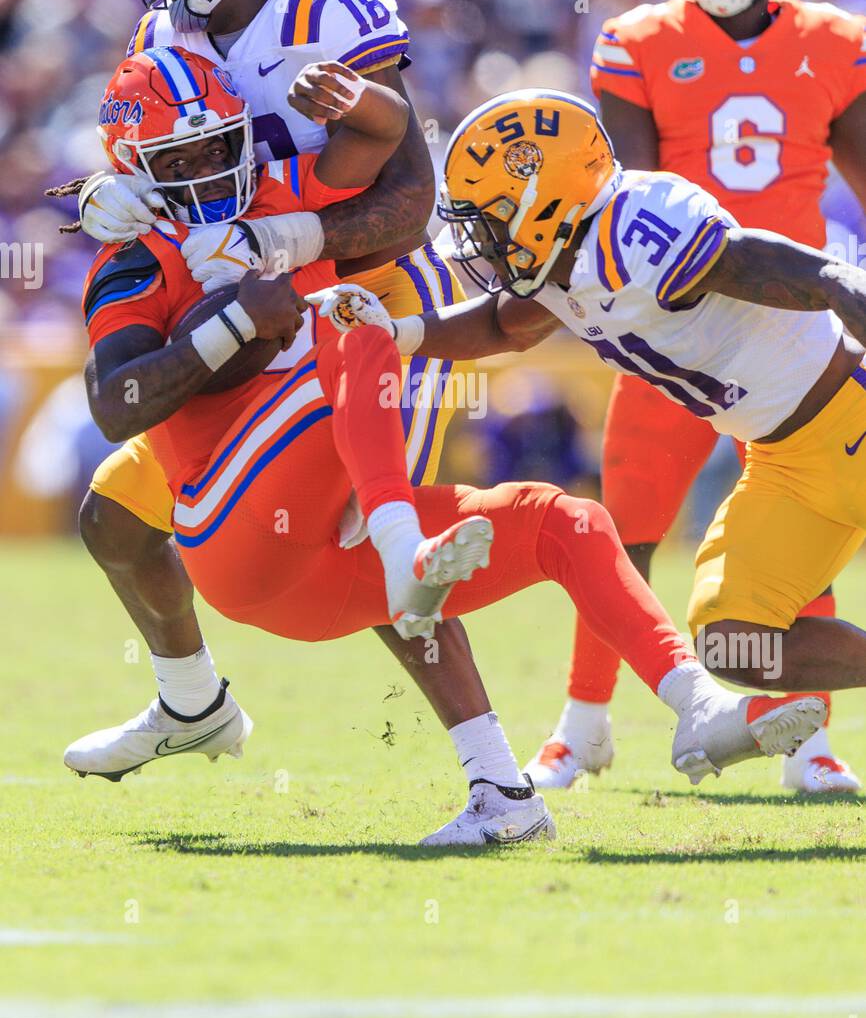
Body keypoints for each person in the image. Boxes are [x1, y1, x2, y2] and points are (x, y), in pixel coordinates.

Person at [67, 53, 824, 848]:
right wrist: (233, 322)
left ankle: (654, 723)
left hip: (329, 550)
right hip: (234, 533)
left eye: (219, 148)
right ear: (132, 171)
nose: (206, 172)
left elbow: (383, 139)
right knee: (348, 320)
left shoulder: (282, 192)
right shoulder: (135, 255)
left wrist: (355, 93)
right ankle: (398, 556)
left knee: (567, 519)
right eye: (177, 162)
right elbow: (117, 406)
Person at [73, 0, 492, 745]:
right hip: (252, 302)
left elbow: (410, 206)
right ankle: (193, 705)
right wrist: (96, 192)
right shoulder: (167, 37)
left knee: (367, 531)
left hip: (369, 302)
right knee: (115, 516)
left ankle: (495, 777)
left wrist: (286, 236)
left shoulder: (330, 6)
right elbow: (143, 147)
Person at [321, 89, 866, 720]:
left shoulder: (638, 229)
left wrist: (838, 282)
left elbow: (790, 270)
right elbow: (503, 326)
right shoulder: (565, 260)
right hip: (787, 464)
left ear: (543, 201)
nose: (484, 242)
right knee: (734, 642)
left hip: (849, 412)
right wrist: (397, 334)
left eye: (493, 219)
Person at [528, 0, 866, 791]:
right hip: (677, 324)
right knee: (621, 532)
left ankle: (809, 741)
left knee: (800, 522)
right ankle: (582, 723)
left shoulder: (836, 40)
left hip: (794, 326)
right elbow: (621, 193)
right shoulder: (637, 39)